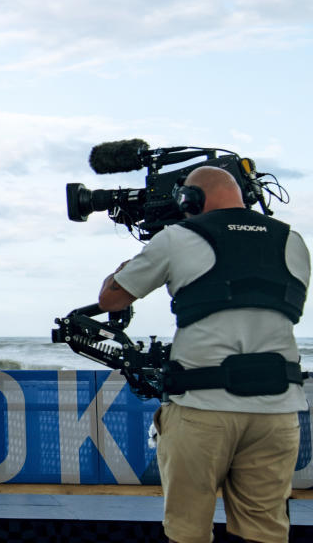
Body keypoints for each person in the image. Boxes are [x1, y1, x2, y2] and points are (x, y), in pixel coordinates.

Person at [97, 165, 310, 543]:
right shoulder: (292, 241)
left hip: (202, 411)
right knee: (265, 532)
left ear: (190, 199)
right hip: (277, 413)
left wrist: (129, 264)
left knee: (187, 531)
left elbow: (113, 297)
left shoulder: (177, 237)